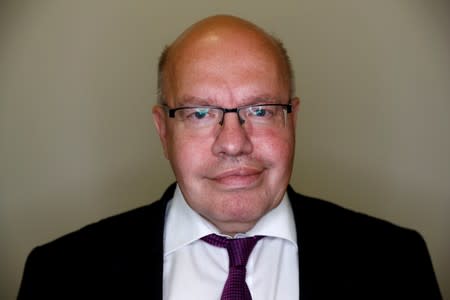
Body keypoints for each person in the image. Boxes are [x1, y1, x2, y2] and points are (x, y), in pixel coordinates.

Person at [17, 15, 441, 300]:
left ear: (293, 121)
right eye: (200, 113)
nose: (234, 143)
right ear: (163, 132)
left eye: (261, 110)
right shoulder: (59, 276)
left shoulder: (397, 264)